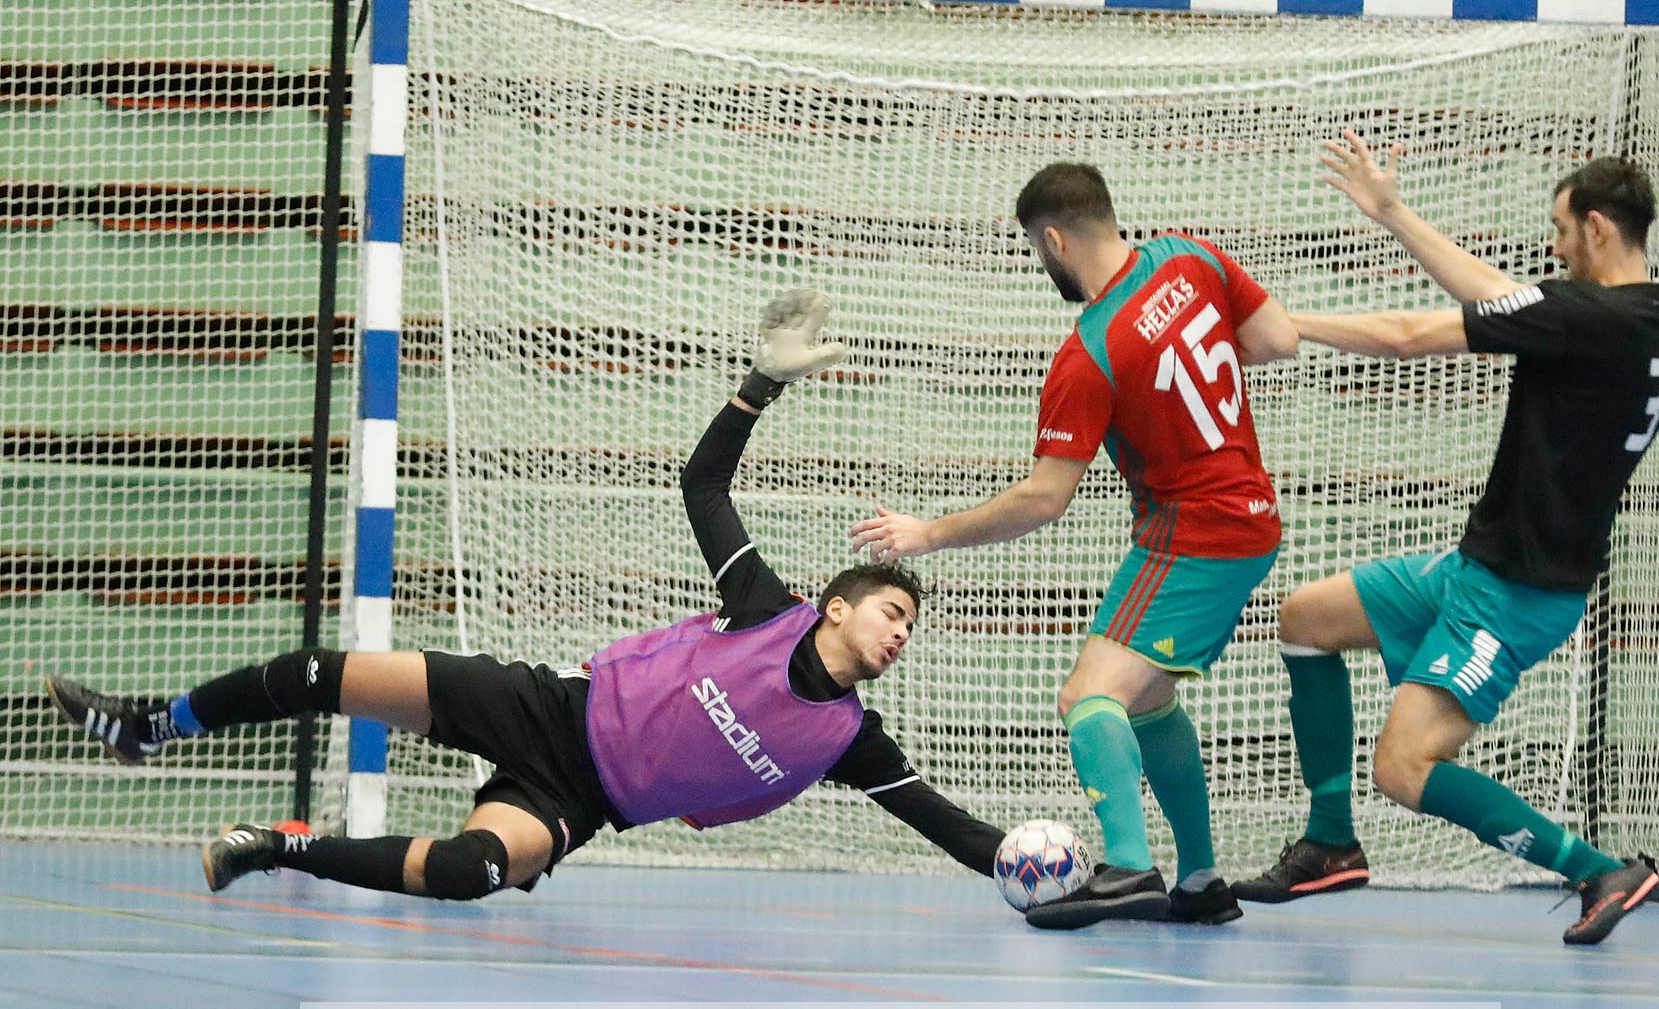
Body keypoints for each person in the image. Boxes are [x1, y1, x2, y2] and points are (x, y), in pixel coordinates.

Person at [46, 290, 1004, 900]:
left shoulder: (850, 739)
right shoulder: (765, 605)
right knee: (321, 671)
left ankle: (280, 849)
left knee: (470, 871)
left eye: (910, 627)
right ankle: (151, 726)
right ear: (838, 604)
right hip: (545, 702)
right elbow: (701, 484)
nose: (900, 632)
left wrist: (1019, 862)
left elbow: (941, 820)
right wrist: (759, 386)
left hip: (579, 794)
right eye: (892, 611)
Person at [1233, 133, 1659, 946]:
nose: (1553, 248)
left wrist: (1281, 323)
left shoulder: (1586, 316)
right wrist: (1392, 212)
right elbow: (1508, 296)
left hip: (1516, 595)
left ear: (1596, 230)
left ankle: (1595, 867)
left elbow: (1411, 334)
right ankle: (1331, 840)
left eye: (1559, 229)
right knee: (1306, 617)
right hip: (1473, 567)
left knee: (1404, 767)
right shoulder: (1652, 321)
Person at [851, 163, 1298, 929]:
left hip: (1196, 530)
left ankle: (1126, 867)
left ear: (1053, 239)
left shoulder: (1089, 351)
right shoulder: (1190, 256)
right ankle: (1202, 881)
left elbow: (1043, 497)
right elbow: (1279, 339)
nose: (1042, 263)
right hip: (1251, 512)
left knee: (1088, 695)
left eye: (1037, 250)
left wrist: (926, 532)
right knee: (1150, 699)